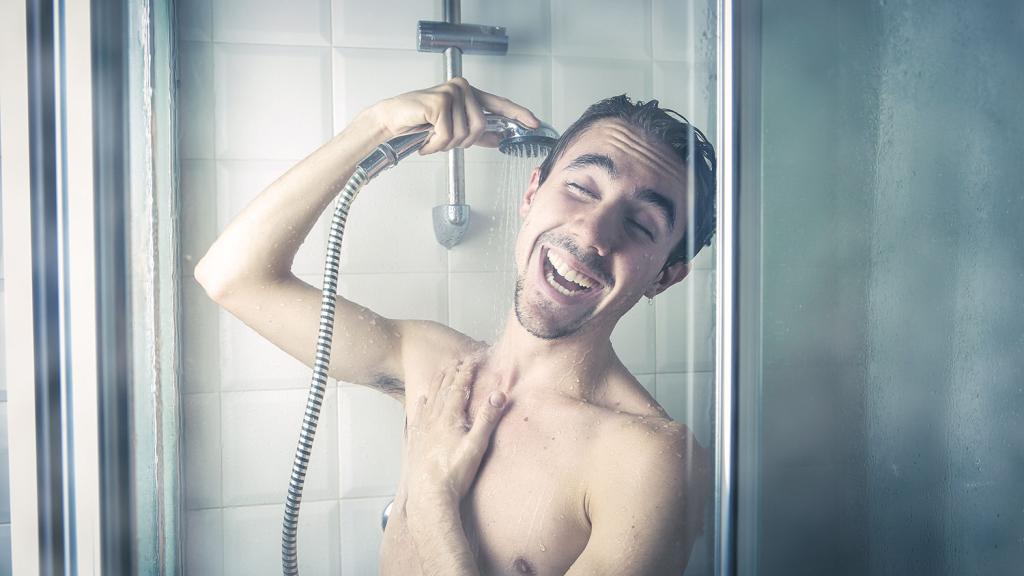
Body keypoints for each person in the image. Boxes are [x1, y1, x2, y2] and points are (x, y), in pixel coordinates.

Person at [195, 77, 715, 575]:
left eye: (642, 224)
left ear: (665, 276)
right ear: (532, 192)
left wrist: (431, 506)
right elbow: (233, 277)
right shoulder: (435, 368)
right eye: (580, 187)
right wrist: (374, 126)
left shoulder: (651, 463)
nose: (592, 232)